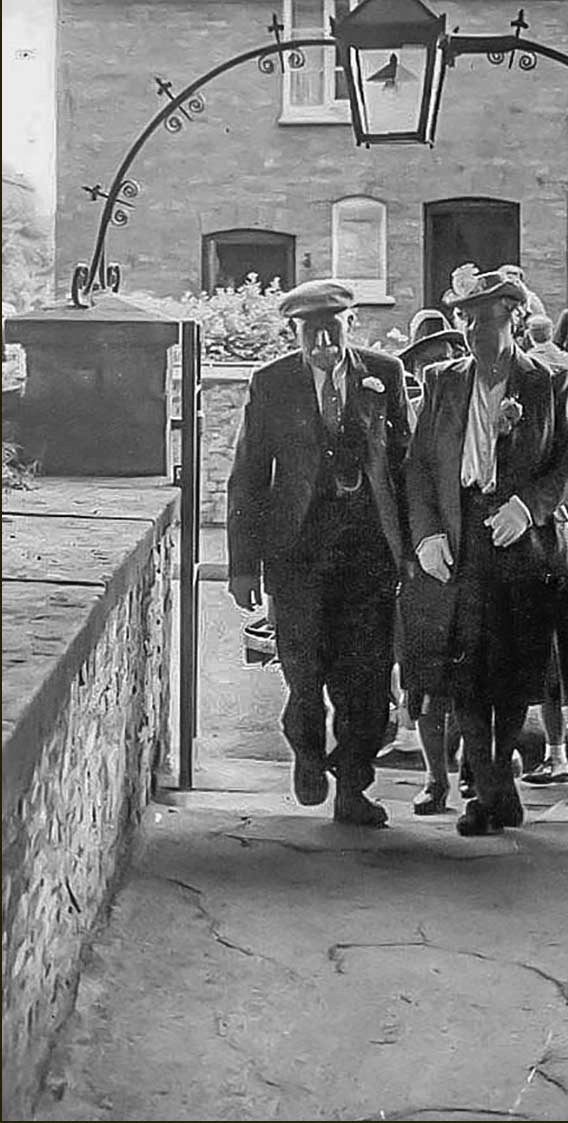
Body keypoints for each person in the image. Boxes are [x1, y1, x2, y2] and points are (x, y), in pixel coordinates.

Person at [404, 264, 568, 836]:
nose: (473, 332)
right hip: (460, 542)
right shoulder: (442, 382)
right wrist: (428, 534)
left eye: (486, 319)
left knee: (512, 672)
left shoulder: (549, 382)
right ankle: (491, 788)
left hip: (521, 546)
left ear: (514, 319)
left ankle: (493, 789)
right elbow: (418, 469)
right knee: (462, 674)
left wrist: (527, 508)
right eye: (466, 319)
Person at [227, 278, 411, 828]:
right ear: (295, 332)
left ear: (351, 326)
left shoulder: (385, 375)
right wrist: (243, 565)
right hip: (298, 554)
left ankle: (353, 786)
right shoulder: (272, 384)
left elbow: (405, 464)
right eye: (311, 332)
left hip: (368, 553)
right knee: (304, 674)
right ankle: (308, 753)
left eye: (333, 329)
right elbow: (248, 478)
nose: (323, 343)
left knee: (369, 678)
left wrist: (413, 545)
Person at [394, 309, 472, 815]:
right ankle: (434, 777)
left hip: (470, 553)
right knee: (425, 679)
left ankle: (469, 769)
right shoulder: (407, 414)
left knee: (470, 672)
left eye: (446, 353)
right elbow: (406, 479)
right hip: (422, 558)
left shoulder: (471, 406)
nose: (438, 364)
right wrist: (420, 542)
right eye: (428, 358)